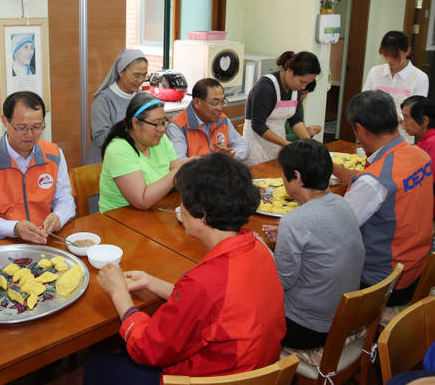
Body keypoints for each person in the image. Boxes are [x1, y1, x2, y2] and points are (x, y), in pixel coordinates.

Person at [86, 153, 286, 384]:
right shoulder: (259, 250)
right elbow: (217, 309)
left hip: (213, 376)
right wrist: (152, 282)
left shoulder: (205, 282)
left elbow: (148, 349)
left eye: (182, 201)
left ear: (201, 213)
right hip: (257, 369)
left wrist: (118, 293)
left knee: (97, 365)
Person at [333, 90, 433, 305]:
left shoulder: (373, 182)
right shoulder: (420, 156)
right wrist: (340, 171)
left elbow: (335, 228)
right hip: (417, 267)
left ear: (359, 129)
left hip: (382, 283)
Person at [264, 139, 364, 349]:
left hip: (309, 328)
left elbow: (281, 282)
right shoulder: (342, 202)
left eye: (283, 172)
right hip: (347, 316)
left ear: (297, 177)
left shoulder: (295, 221)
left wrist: (264, 250)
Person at [0, 91, 75, 244]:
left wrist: (59, 216)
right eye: (22, 127)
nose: (30, 134)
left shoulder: (54, 155)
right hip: (7, 242)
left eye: (37, 127)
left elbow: (65, 200)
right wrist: (14, 228)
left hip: (46, 239)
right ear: (5, 121)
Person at [98, 92, 188, 213]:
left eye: (164, 122)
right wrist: (178, 172)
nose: (162, 129)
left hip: (155, 210)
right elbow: (142, 200)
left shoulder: (159, 138)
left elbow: (177, 170)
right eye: (156, 124)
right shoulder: (118, 149)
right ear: (135, 123)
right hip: (119, 218)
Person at [243, 51, 321, 165]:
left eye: (307, 84)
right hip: (256, 148)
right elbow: (258, 125)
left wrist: (310, 144)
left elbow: (296, 121)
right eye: (302, 82)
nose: (303, 87)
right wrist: (286, 143)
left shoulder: (296, 89)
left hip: (278, 146)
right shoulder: (266, 87)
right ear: (290, 71)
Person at [363, 31, 429, 144]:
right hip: (374, 134)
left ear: (407, 51)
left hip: (403, 137)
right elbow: (364, 100)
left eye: (394, 56)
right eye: (385, 55)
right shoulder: (375, 72)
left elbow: (417, 111)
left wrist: (398, 118)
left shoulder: (420, 77)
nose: (389, 60)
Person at [88, 49, 149, 164]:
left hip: (133, 161)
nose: (140, 80)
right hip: (107, 163)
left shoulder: (141, 97)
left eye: (144, 75)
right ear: (121, 72)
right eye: (136, 75)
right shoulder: (103, 101)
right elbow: (100, 138)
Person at [165, 78, 249, 161]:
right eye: (215, 103)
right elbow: (179, 163)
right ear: (197, 103)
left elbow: (243, 145)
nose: (220, 108)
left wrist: (231, 154)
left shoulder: (222, 119)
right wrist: (212, 159)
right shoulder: (177, 127)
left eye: (222, 102)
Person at [402, 98, 435, 219]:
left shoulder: (433, 142)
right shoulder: (424, 139)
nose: (403, 122)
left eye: (406, 117)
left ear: (424, 120)